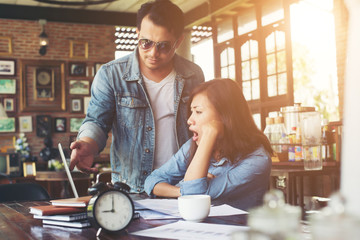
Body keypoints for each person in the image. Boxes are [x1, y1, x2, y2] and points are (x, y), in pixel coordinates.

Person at [69, 0, 205, 192]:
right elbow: (97, 121)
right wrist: (86, 145)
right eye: (146, 43)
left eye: (164, 46)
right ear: (137, 34)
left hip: (183, 184)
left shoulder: (193, 74)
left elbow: (203, 126)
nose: (153, 53)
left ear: (179, 42)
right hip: (132, 188)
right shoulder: (111, 74)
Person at [144, 79, 273, 210]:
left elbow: (194, 197)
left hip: (237, 228)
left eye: (198, 112)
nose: (189, 120)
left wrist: (210, 135)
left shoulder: (257, 160)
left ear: (225, 115)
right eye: (191, 111)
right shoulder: (191, 146)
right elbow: (152, 180)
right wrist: (180, 190)